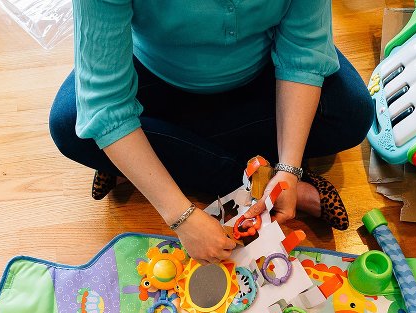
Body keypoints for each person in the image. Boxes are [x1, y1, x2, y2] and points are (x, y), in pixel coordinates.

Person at [49, 1, 374, 264]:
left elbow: (303, 54)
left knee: (352, 113)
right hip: (156, 74)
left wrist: (289, 167)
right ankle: (253, 179)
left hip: (258, 73)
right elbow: (105, 103)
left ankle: (135, 160)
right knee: (70, 124)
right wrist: (180, 216)